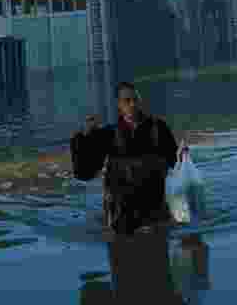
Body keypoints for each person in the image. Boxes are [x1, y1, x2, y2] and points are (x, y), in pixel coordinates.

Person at [71, 81, 183, 236]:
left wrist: (182, 156)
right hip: (120, 217)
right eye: (127, 101)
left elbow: (177, 167)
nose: (132, 105)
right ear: (119, 105)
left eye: (135, 100)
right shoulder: (107, 134)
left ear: (140, 101)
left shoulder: (159, 129)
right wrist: (83, 139)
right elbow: (84, 173)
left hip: (155, 213)